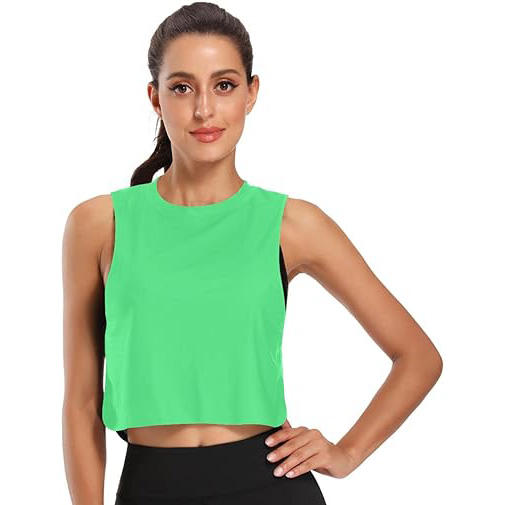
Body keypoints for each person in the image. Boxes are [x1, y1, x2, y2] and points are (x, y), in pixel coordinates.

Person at [62, 2, 443, 504]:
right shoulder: (99, 224)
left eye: (224, 85)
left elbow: (418, 358)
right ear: (155, 98)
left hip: (269, 485)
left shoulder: (292, 224)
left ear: (251, 92)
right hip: (150, 486)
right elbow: (81, 403)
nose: (204, 109)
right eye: (182, 88)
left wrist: (347, 453)